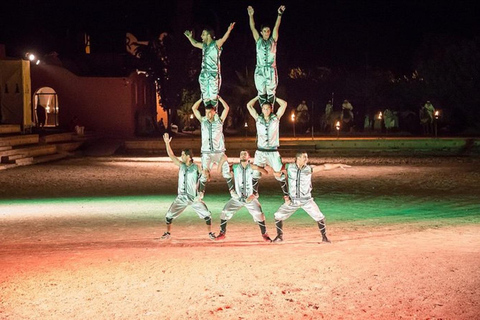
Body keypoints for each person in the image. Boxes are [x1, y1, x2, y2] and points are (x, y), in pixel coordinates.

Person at [271, 152, 351, 243]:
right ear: (298, 158)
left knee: (319, 217)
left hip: (306, 200)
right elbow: (277, 168)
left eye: (307, 157)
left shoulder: (309, 168)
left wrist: (338, 165)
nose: (306, 159)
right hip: (292, 200)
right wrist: (276, 173)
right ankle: (279, 236)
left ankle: (324, 237)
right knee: (278, 216)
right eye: (304, 157)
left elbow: (324, 166)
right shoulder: (289, 167)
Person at [160, 133, 216, 240]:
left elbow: (207, 177)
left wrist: (206, 173)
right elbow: (171, 155)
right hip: (181, 197)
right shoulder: (181, 165)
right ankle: (168, 233)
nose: (181, 156)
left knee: (207, 215)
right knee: (169, 215)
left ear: (189, 157)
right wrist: (167, 143)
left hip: (194, 198)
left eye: (183, 155)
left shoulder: (196, 167)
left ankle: (210, 233)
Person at [215, 150, 272, 242]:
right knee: (225, 211)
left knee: (259, 214)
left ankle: (264, 234)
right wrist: (223, 162)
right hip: (237, 197)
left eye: (245, 154)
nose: (242, 155)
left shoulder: (251, 167)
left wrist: (257, 168)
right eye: (241, 154)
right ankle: (222, 233)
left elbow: (265, 173)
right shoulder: (235, 167)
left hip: (250, 198)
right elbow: (221, 172)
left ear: (248, 157)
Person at [246, 95, 290, 203]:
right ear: (262, 109)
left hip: (273, 151)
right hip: (261, 150)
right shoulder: (258, 119)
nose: (266, 110)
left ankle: (286, 195)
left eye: (268, 108)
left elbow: (284, 104)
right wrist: (257, 97)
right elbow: (249, 105)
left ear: (271, 109)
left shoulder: (276, 118)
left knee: (278, 173)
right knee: (256, 171)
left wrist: (275, 98)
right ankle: (255, 193)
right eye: (264, 108)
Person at [192, 96, 236, 200]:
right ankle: (201, 192)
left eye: (210, 112)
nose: (208, 114)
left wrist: (219, 98)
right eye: (206, 112)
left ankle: (232, 191)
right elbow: (194, 109)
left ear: (214, 112)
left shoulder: (219, 121)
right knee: (204, 172)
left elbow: (226, 108)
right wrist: (200, 100)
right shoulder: (203, 121)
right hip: (206, 152)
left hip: (219, 151)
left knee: (226, 172)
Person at [184, 22, 235, 108]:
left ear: (209, 35)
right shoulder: (204, 46)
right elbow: (195, 43)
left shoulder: (215, 44)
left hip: (213, 74)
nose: (201, 36)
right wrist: (190, 38)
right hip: (204, 74)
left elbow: (223, 39)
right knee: (205, 97)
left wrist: (229, 30)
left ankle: (214, 116)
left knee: (213, 96)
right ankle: (208, 116)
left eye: (203, 34)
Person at [247, 5, 285, 106]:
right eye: (265, 31)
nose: (267, 33)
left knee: (271, 93)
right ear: (261, 32)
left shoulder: (273, 41)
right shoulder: (258, 40)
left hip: (271, 70)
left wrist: (279, 14)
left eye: (268, 31)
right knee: (261, 93)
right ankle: (263, 116)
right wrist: (251, 15)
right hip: (260, 69)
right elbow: (252, 28)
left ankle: (271, 115)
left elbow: (277, 27)